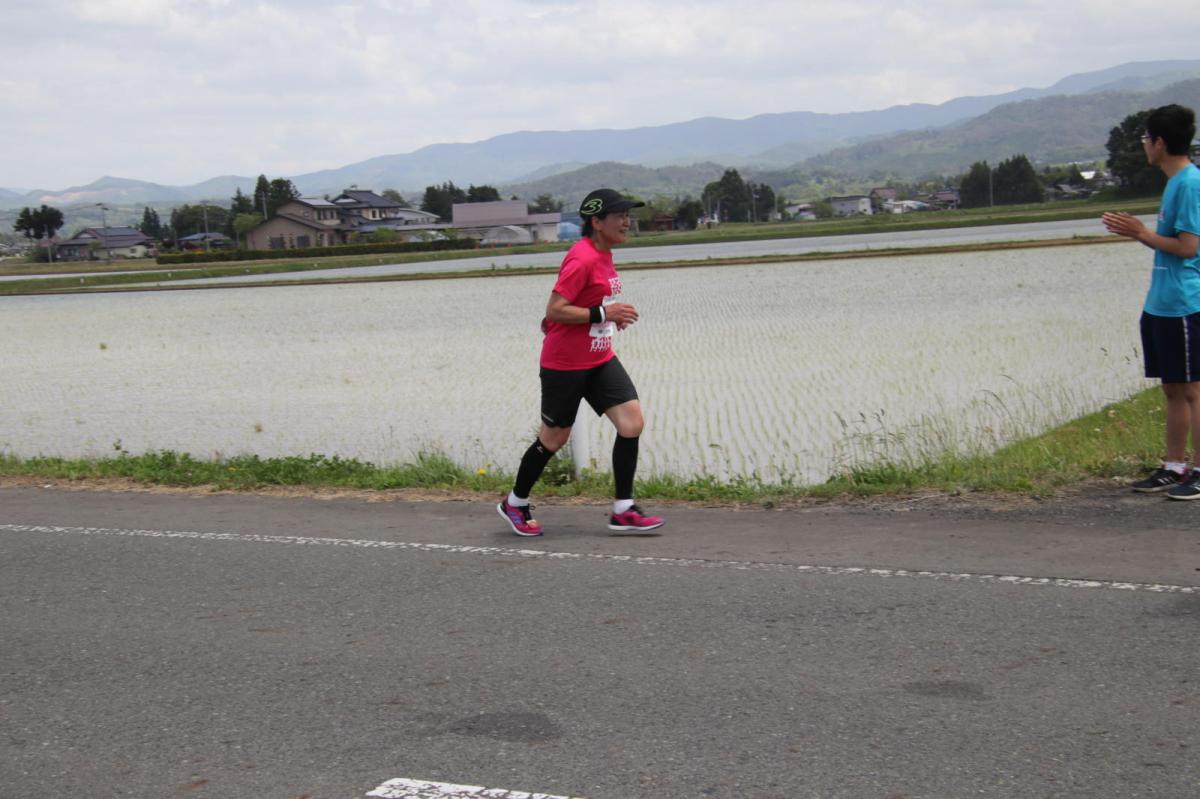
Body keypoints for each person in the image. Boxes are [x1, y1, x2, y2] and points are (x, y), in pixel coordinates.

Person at [497, 188, 666, 535]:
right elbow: (555, 309)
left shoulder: (605, 254)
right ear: (596, 221)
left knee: (631, 422)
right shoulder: (583, 257)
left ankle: (623, 509)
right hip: (565, 364)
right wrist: (604, 312)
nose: (626, 221)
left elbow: (591, 302)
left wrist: (608, 317)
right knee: (554, 438)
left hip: (599, 358)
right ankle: (514, 503)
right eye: (619, 215)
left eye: (627, 215)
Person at [1103, 104, 1200, 499]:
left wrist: (1140, 233)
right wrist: (1139, 233)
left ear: (1160, 143)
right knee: (1173, 389)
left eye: (1146, 138)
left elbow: (1188, 247)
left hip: (1184, 303)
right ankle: (1174, 466)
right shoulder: (1174, 182)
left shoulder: (1191, 184)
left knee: (1194, 390)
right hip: (1160, 303)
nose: (1144, 145)